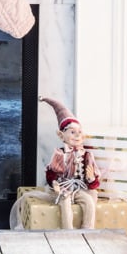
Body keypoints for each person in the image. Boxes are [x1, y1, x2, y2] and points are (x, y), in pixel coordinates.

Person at [41, 96, 100, 230]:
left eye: (79, 132)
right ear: (62, 136)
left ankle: (87, 229)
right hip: (63, 187)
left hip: (79, 189)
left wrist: (90, 178)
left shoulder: (86, 155)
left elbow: (94, 183)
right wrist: (55, 183)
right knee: (65, 200)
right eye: (72, 132)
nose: (77, 135)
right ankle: (68, 231)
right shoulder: (59, 154)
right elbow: (51, 173)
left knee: (89, 201)